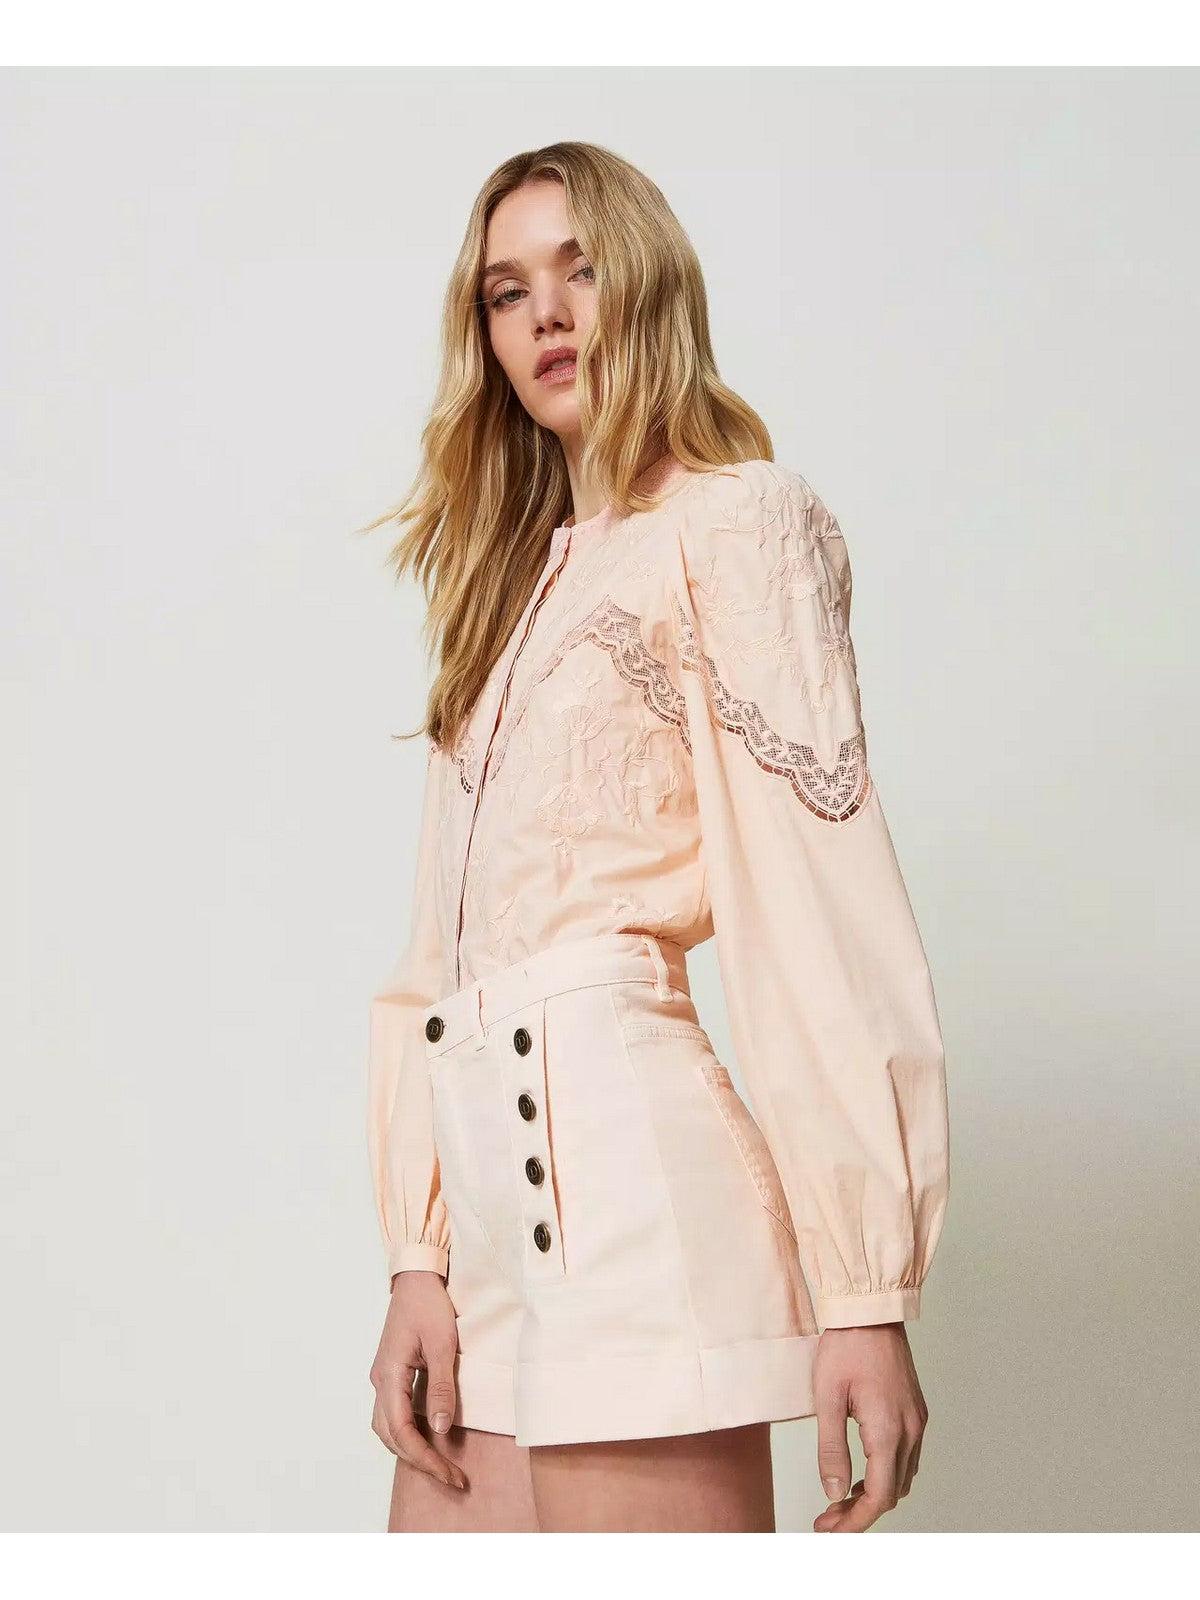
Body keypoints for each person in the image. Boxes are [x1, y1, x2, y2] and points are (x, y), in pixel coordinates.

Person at [362, 141, 950, 1534]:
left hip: (639, 1214)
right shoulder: (507, 593)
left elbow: (816, 912)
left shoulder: (738, 527)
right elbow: (437, 960)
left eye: (581, 271)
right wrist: (418, 1258)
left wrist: (864, 1291)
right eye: (508, 292)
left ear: (650, 286)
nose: (548, 316)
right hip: (484, 1245)